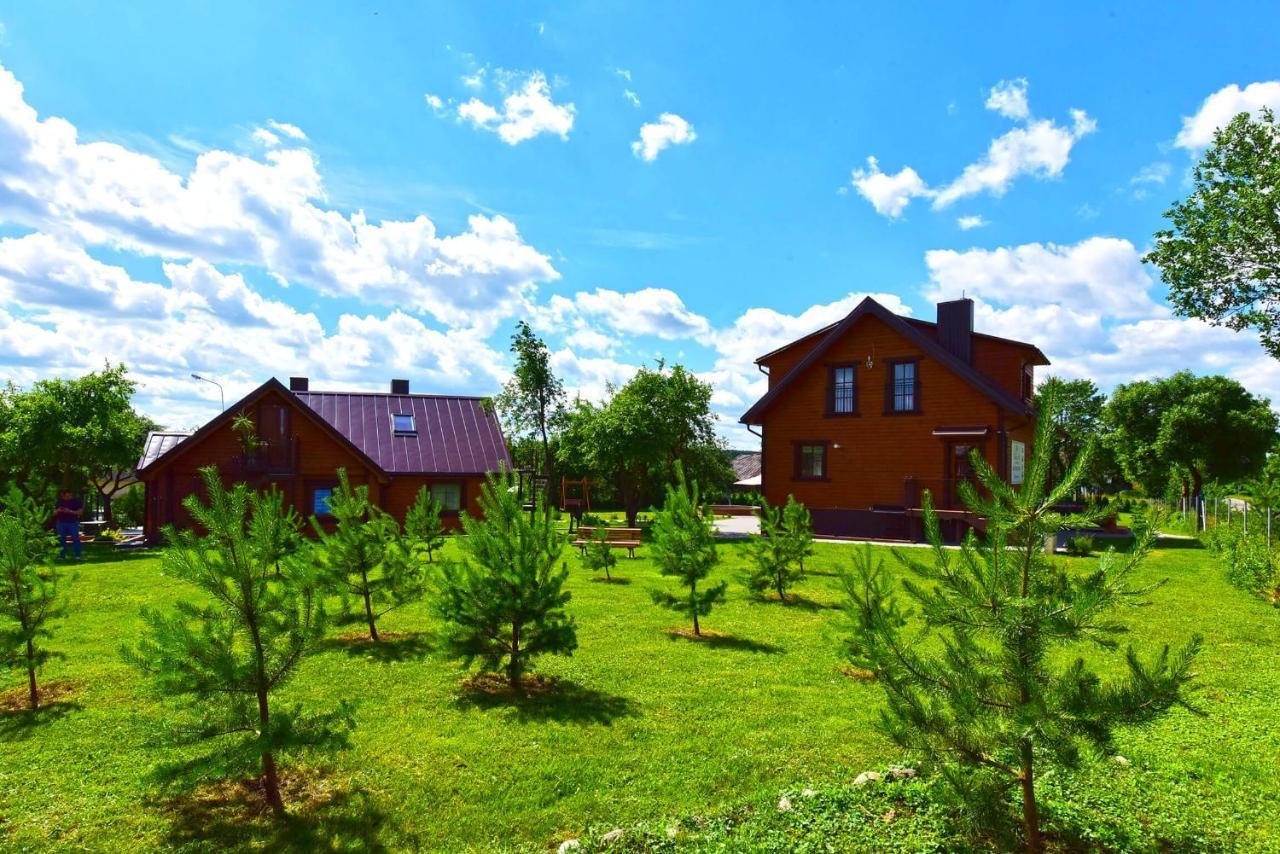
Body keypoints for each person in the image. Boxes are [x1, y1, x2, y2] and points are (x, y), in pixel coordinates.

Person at [54, 489, 85, 560]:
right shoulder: (59, 502)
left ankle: (78, 555)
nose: (68, 497)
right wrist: (58, 510)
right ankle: (62, 556)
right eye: (66, 496)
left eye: (69, 496)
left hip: (73, 522)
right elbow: (54, 513)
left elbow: (80, 512)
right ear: (63, 496)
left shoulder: (76, 502)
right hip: (61, 522)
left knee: (75, 538)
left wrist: (69, 511)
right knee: (61, 539)